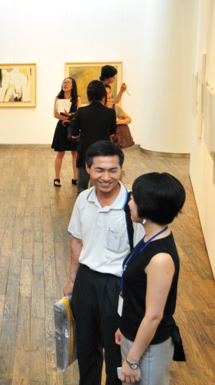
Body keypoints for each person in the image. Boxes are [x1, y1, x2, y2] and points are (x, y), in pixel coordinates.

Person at [62, 140, 145, 385]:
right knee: (86, 348)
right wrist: (72, 280)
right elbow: (77, 242)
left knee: (116, 351)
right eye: (99, 170)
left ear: (121, 169)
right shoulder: (83, 199)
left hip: (117, 287)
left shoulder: (133, 206)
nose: (106, 177)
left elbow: (142, 258)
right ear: (88, 168)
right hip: (85, 281)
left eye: (113, 170)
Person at [115, 172, 185, 384]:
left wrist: (133, 359)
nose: (129, 202)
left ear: (147, 208)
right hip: (135, 337)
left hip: (148, 349)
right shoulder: (150, 237)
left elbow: (154, 316)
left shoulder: (160, 258)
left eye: (134, 198)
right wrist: (124, 327)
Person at [70, 80, 117, 195]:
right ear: (103, 95)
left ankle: (82, 207)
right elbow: (112, 133)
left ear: (88, 94)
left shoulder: (81, 112)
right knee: (101, 189)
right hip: (104, 154)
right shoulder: (110, 112)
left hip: (85, 153)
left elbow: (74, 134)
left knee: (81, 189)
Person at [50, 77, 80, 187]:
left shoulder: (77, 98)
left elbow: (78, 114)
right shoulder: (58, 98)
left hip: (73, 127)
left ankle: (75, 177)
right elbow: (56, 114)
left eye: (68, 82)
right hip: (62, 127)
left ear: (72, 86)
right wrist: (68, 119)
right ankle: (57, 177)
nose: (65, 84)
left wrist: (70, 116)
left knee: (75, 153)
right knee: (60, 153)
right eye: (64, 82)